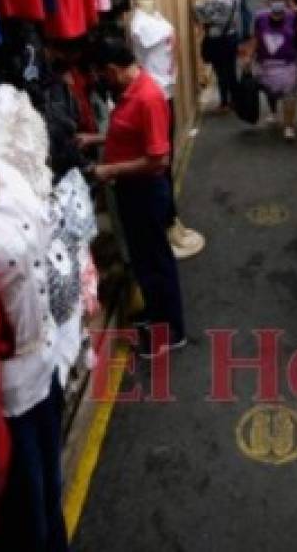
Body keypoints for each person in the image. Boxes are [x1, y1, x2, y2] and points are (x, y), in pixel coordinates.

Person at [79, 39, 186, 357]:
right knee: (143, 258)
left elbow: (158, 159)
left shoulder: (148, 98)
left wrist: (108, 170)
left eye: (103, 75)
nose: (102, 81)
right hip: (133, 191)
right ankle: (156, 315)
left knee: (155, 261)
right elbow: (128, 135)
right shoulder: (131, 93)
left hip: (145, 192)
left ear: (112, 70)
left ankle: (171, 331)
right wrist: (96, 138)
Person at [251, 0, 297, 142]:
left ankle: (289, 127)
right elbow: (256, 38)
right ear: (269, 1)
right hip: (266, 64)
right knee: (270, 92)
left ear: (285, 1)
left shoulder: (292, 16)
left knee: (289, 95)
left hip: (288, 64)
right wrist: (249, 57)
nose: (277, 2)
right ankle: (273, 111)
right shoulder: (260, 18)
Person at [193, 0, 242, 112]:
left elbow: (198, 9)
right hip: (232, 38)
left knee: (220, 72)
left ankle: (224, 103)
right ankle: (235, 100)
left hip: (217, 40)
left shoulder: (214, 1)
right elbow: (220, 1)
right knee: (231, 70)